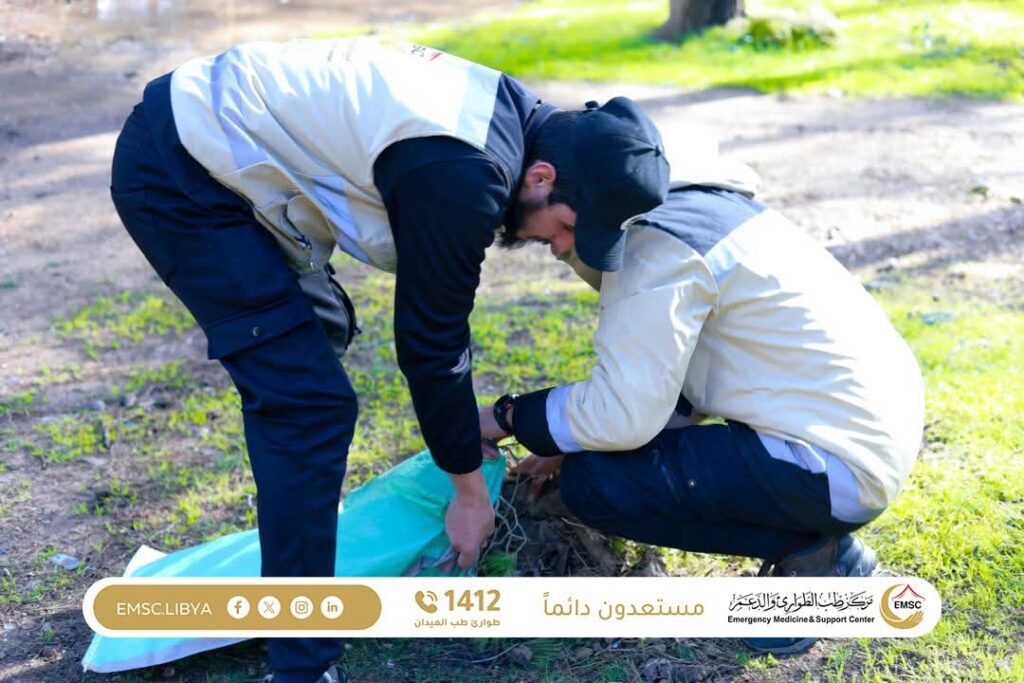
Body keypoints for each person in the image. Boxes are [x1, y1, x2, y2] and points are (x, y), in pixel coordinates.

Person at [109, 37, 669, 682]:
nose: (561, 247)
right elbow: (431, 345)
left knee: (319, 340)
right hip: (180, 172)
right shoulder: (464, 173)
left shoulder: (513, 120)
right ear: (541, 179)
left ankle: (303, 551)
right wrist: (467, 492)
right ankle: (300, 666)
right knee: (306, 407)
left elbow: (438, 325)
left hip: (206, 138)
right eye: (568, 228)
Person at [480, 154, 925, 656]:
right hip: (860, 433)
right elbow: (677, 394)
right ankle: (815, 542)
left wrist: (505, 417)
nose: (561, 250)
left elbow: (624, 413)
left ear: (555, 183)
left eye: (554, 235)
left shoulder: (650, 246)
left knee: (596, 484)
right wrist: (568, 440)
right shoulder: (699, 205)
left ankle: (814, 558)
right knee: (598, 460)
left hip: (836, 463)